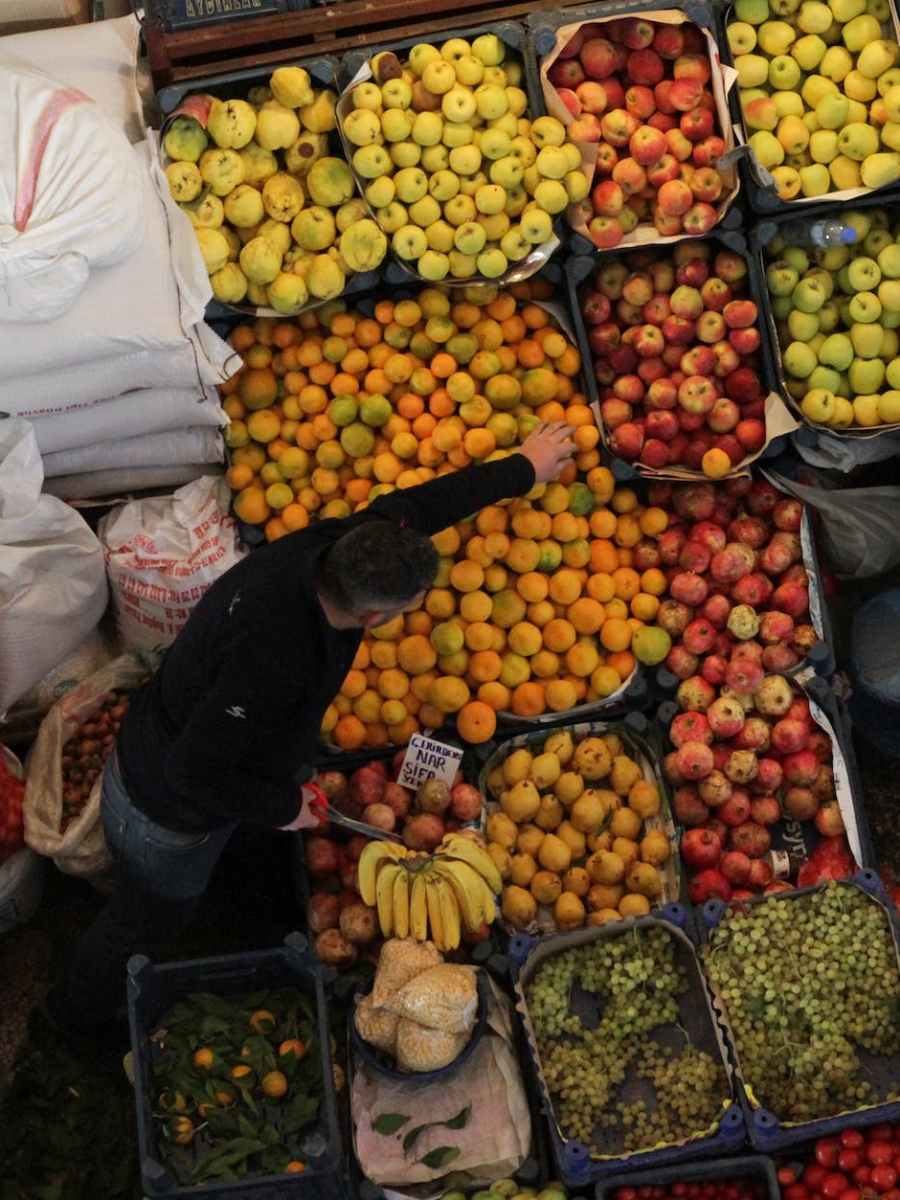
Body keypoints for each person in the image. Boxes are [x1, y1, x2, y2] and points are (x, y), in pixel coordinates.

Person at [50, 421, 575, 1032]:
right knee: (147, 919)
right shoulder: (275, 660)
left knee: (219, 864)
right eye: (409, 608)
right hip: (165, 810)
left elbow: (427, 504)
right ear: (375, 616)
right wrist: (283, 805)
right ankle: (75, 1017)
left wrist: (524, 468)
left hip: (206, 749)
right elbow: (192, 771)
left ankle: (232, 897)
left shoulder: (338, 545)